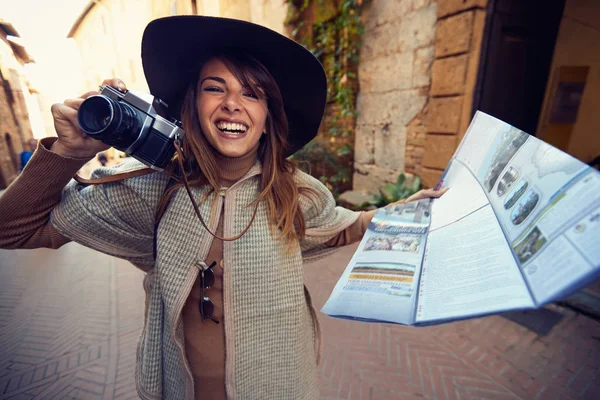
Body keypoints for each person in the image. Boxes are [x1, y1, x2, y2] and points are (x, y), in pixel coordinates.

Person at [0, 16, 447, 399]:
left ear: (269, 116)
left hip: (280, 387)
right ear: (193, 104)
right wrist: (66, 151)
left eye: (252, 94)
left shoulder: (298, 194)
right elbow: (13, 230)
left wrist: (406, 209)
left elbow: (347, 226)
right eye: (216, 88)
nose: (233, 103)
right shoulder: (150, 190)